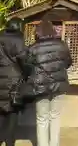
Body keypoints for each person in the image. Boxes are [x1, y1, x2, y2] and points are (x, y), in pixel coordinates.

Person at [25, 20, 72, 146]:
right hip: (59, 86)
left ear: (38, 33)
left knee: (42, 119)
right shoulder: (62, 45)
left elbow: (27, 68)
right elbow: (68, 63)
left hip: (40, 88)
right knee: (55, 117)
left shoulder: (33, 48)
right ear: (52, 31)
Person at [0, 18, 27, 146]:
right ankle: (9, 142)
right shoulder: (18, 39)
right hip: (14, 81)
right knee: (12, 113)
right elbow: (24, 60)